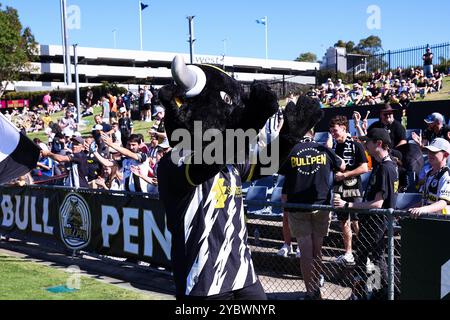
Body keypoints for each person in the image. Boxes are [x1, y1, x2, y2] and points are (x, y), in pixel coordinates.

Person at [279, 129, 345, 300]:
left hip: (298, 207)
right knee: (317, 251)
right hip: (321, 205)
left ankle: (311, 292)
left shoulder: (292, 151)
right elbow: (342, 165)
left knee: (306, 253)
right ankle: (317, 288)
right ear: (314, 134)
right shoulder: (324, 149)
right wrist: (328, 150)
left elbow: (281, 172)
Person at [334, 128, 399, 300]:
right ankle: (373, 292)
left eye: (368, 142)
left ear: (378, 143)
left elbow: (378, 203)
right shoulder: (382, 165)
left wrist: (348, 204)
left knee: (373, 258)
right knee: (370, 257)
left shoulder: (386, 167)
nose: (365, 144)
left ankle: (380, 293)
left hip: (377, 221)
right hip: (373, 220)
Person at [328, 116, 369, 266]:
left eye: (335, 130)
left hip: (354, 188)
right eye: (331, 131)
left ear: (344, 128)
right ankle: (349, 253)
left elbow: (365, 168)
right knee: (343, 222)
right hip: (339, 188)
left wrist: (345, 175)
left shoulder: (356, 145)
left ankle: (365, 253)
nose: (333, 133)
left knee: (356, 222)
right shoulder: (334, 146)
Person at [409, 138, 450, 218]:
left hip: (442, 221)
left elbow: (443, 203)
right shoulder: (428, 174)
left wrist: (422, 209)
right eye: (429, 151)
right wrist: (410, 209)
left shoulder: (446, 175)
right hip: (429, 218)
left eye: (434, 152)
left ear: (446, 155)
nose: (430, 154)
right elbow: (425, 201)